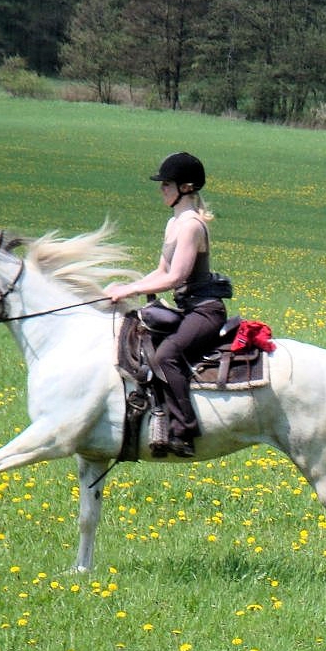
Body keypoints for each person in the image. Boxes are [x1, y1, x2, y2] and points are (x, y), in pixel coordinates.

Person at [105, 152, 229, 458]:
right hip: (188, 308)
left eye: (166, 184)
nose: (161, 188)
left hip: (204, 310)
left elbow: (176, 277)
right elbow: (160, 271)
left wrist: (130, 289)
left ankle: (185, 430)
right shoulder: (173, 223)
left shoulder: (191, 226)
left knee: (167, 355)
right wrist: (125, 288)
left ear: (185, 188)